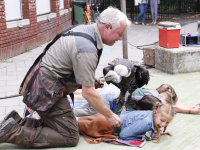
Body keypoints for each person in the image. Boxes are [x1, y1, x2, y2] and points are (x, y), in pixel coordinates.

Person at [0, 7, 131, 148]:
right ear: (107, 27)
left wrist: (89, 80)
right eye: (119, 34)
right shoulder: (87, 48)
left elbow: (69, 65)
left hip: (42, 86)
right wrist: (109, 116)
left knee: (60, 125)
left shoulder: (85, 30)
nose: (120, 38)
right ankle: (12, 132)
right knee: (69, 135)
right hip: (45, 93)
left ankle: (16, 123)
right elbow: (89, 94)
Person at [78, 98, 175, 143]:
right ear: (156, 113)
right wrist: (147, 136)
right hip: (106, 126)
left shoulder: (151, 114)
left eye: (167, 122)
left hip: (107, 119)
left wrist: (153, 131)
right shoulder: (147, 123)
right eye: (162, 120)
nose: (163, 124)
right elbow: (124, 135)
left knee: (74, 120)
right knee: (70, 125)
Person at [72, 84, 200, 117]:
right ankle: (66, 95)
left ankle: (67, 93)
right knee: (84, 97)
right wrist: (190, 110)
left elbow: (173, 105)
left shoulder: (150, 92)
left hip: (113, 92)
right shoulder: (154, 98)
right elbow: (171, 106)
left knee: (83, 96)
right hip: (113, 96)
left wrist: (190, 108)